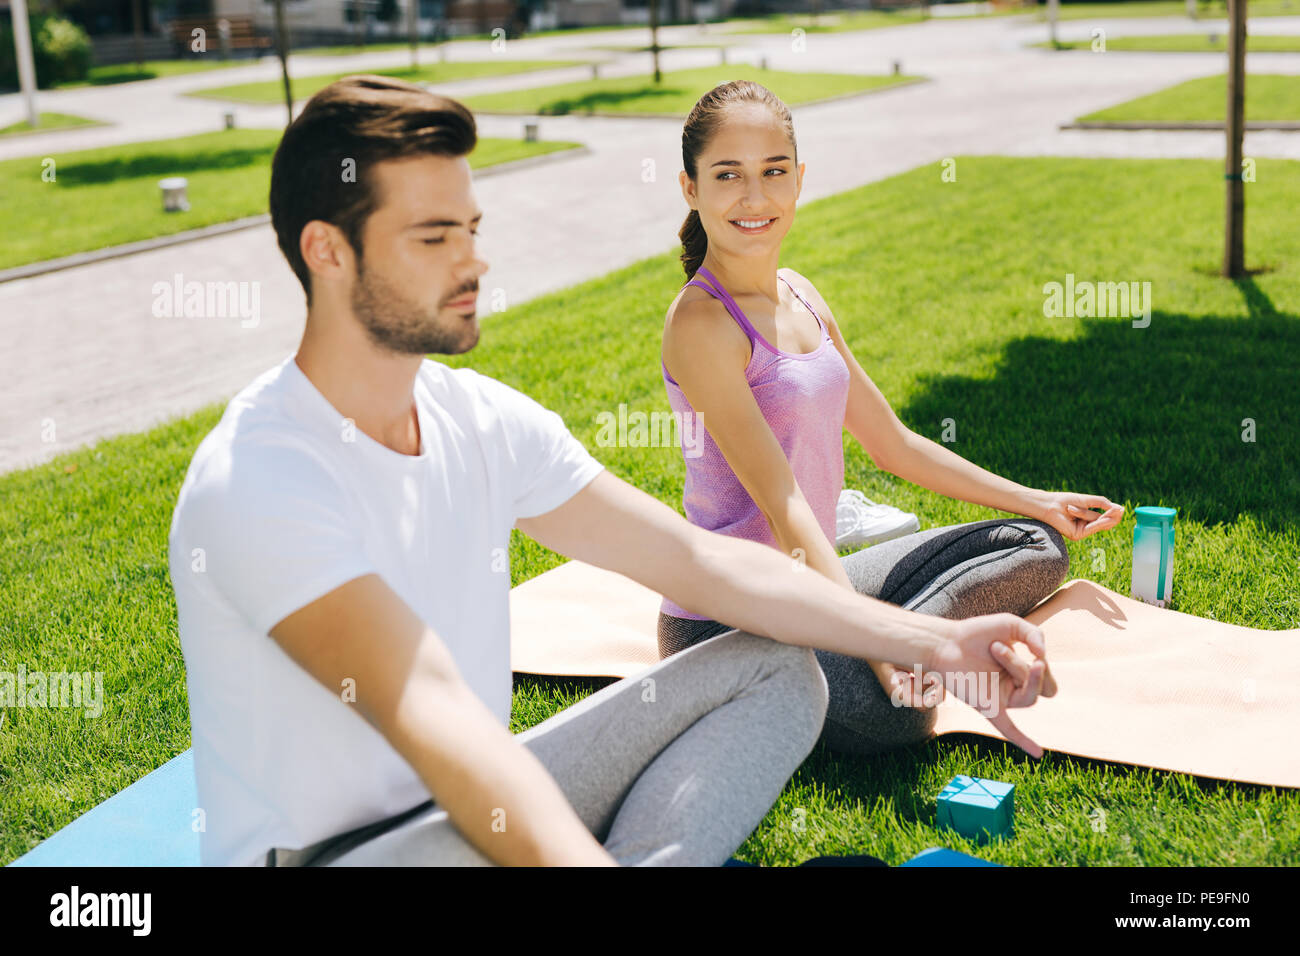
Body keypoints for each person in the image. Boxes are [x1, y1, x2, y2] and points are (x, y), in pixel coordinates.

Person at [167, 75, 1057, 868]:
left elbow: (700, 563)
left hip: (478, 800)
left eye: (471, 230)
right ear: (327, 250)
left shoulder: (480, 420)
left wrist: (929, 642)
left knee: (782, 672)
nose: (473, 261)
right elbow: (438, 724)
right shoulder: (258, 478)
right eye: (434, 237)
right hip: (353, 853)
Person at [657, 80, 1124, 756]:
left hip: (815, 591)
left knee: (1033, 545)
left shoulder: (801, 295)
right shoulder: (704, 324)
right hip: (731, 629)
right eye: (727, 175)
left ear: (799, 181)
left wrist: (1042, 501)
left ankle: (912, 639)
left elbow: (892, 443)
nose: (754, 197)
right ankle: (912, 641)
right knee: (901, 714)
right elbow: (784, 505)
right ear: (691, 188)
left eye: (773, 172)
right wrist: (878, 643)